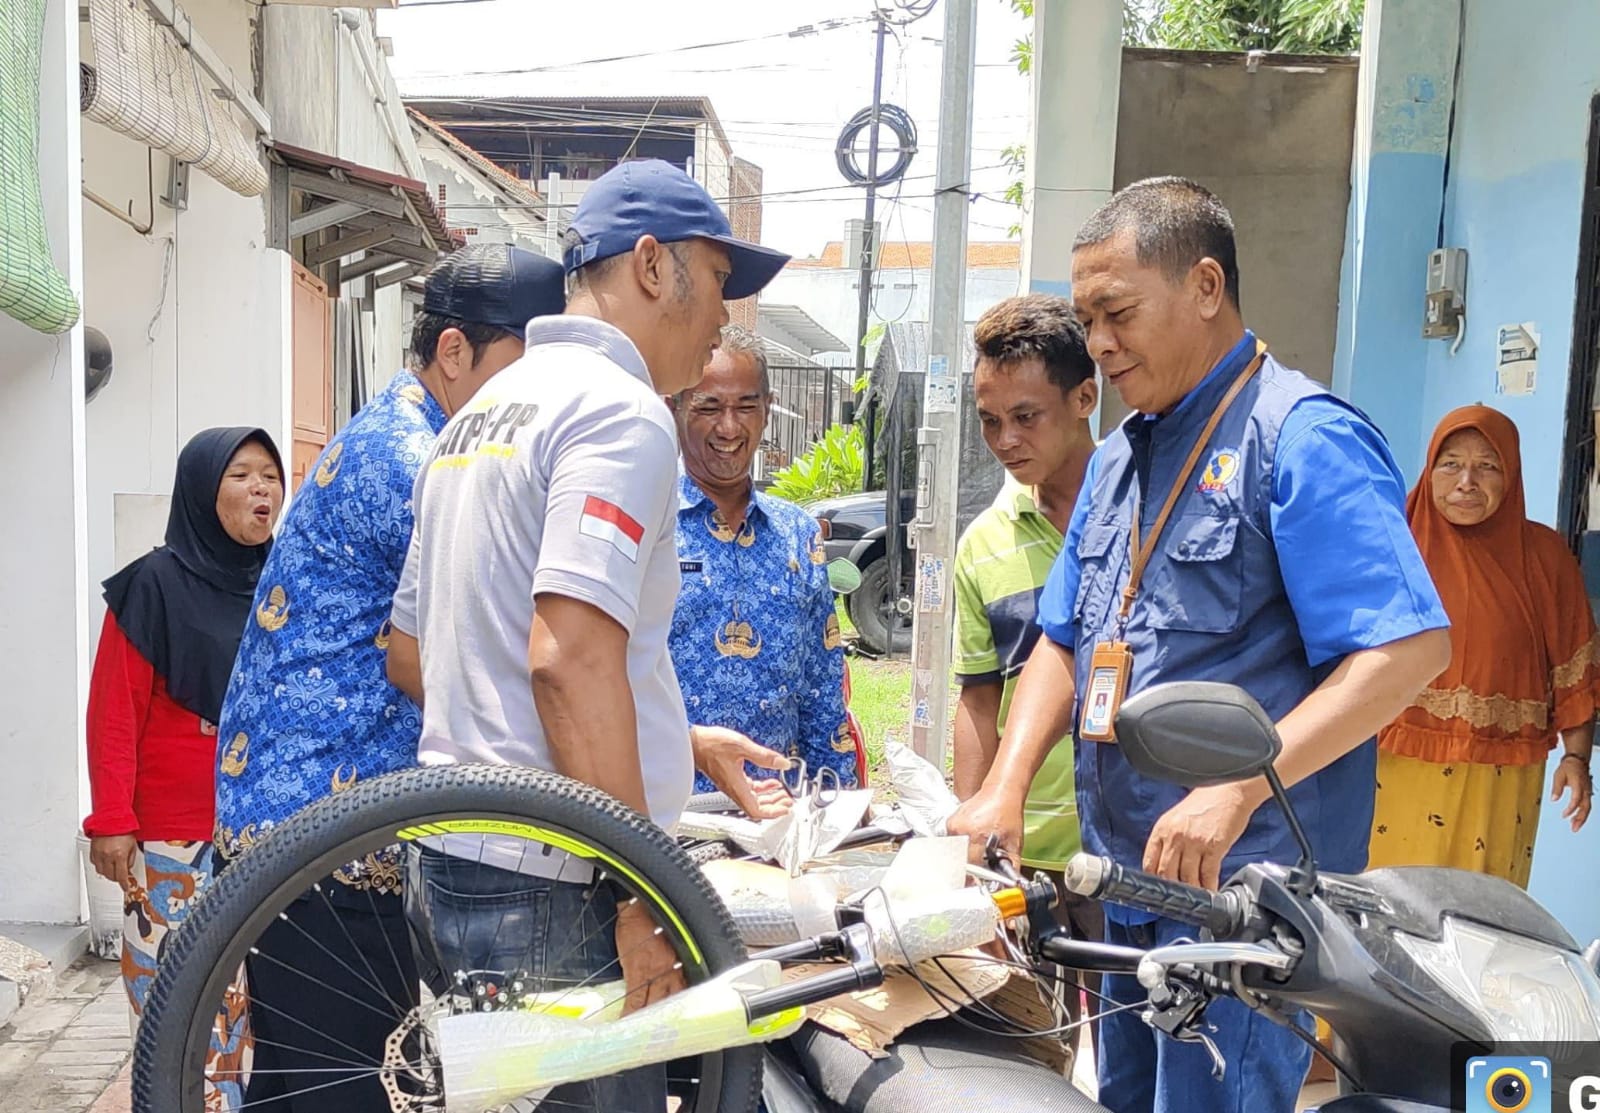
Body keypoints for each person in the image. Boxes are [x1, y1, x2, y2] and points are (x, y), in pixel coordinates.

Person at [947, 177, 1453, 1113]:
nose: (1098, 342)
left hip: (1242, 906)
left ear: (1206, 286)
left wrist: (1237, 788)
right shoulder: (1116, 459)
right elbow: (1064, 641)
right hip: (1125, 883)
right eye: (1087, 318)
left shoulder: (1301, 440)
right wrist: (1005, 785)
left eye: (1117, 313)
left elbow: (1408, 653)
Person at [386, 158, 793, 1113]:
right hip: (554, 882)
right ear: (652, 265)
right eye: (719, 282)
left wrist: (674, 740)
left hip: (458, 856)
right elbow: (566, 660)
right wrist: (642, 895)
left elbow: (417, 651)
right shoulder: (621, 415)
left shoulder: (481, 410)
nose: (724, 317)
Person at [213, 243, 564, 1113]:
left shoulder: (411, 432)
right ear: (455, 353)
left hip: (306, 823)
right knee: (352, 1087)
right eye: (529, 364)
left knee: (301, 1080)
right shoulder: (417, 460)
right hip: (324, 836)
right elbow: (463, 654)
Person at [84, 425, 283, 1104]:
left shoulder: (288, 580)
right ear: (202, 489)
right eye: (241, 475)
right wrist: (112, 817)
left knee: (257, 1019)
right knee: (185, 1009)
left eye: (269, 475)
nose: (262, 488)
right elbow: (114, 710)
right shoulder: (154, 583)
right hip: (175, 837)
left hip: (267, 834)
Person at [950, 293, 1105, 1043]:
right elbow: (978, 698)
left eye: (1025, 415)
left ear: (1084, 397)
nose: (1004, 439)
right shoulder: (983, 543)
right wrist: (974, 842)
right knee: (1027, 1057)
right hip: (1024, 857)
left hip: (1124, 849)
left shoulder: (1147, 518)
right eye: (989, 419)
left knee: (1145, 1059)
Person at [1369, 404, 1595, 883]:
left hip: (1502, 776)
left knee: (1481, 913)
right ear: (1429, 471)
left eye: (1487, 466)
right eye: (1450, 464)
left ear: (1509, 475)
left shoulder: (1545, 556)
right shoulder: (1392, 543)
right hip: (1389, 767)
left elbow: (1574, 664)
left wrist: (1577, 759)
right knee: (1385, 907)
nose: (1466, 481)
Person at [670, 324, 855, 792]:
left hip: (778, 815)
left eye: (746, 407)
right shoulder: (647, 522)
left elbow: (821, 690)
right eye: (708, 407)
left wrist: (841, 806)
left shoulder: (797, 534)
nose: (729, 427)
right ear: (675, 409)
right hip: (663, 822)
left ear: (768, 411)